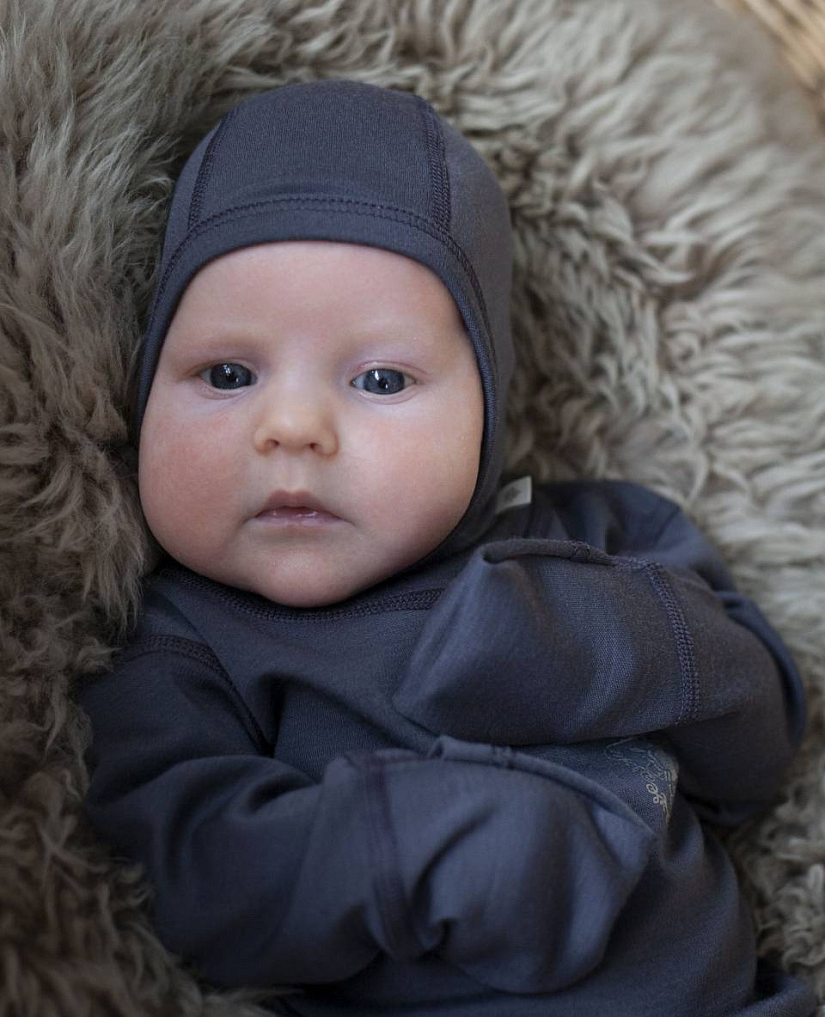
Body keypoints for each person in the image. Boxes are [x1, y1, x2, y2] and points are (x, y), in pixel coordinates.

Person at [74, 79, 817, 1016]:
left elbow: (758, 747)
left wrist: (597, 639)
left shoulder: (599, 536)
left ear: (487, 406)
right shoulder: (182, 644)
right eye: (227, 373)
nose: (291, 426)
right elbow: (201, 882)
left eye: (380, 379)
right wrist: (448, 841)